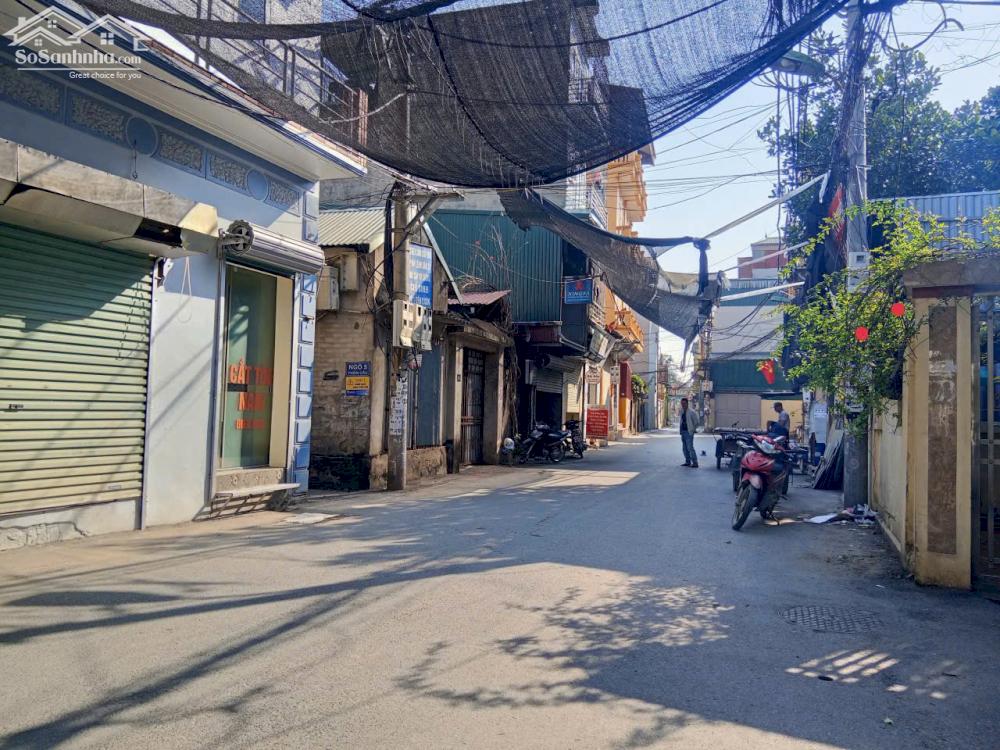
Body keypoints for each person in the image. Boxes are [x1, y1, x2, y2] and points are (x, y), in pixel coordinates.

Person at [678, 397, 700, 467]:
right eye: (682, 403)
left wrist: (693, 429)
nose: (683, 405)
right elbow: (681, 421)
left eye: (684, 403)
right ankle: (688, 461)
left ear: (687, 404)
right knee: (684, 448)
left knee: (690, 448)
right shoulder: (682, 411)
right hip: (683, 432)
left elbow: (697, 422)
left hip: (689, 432)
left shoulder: (691, 412)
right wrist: (680, 431)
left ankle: (695, 462)